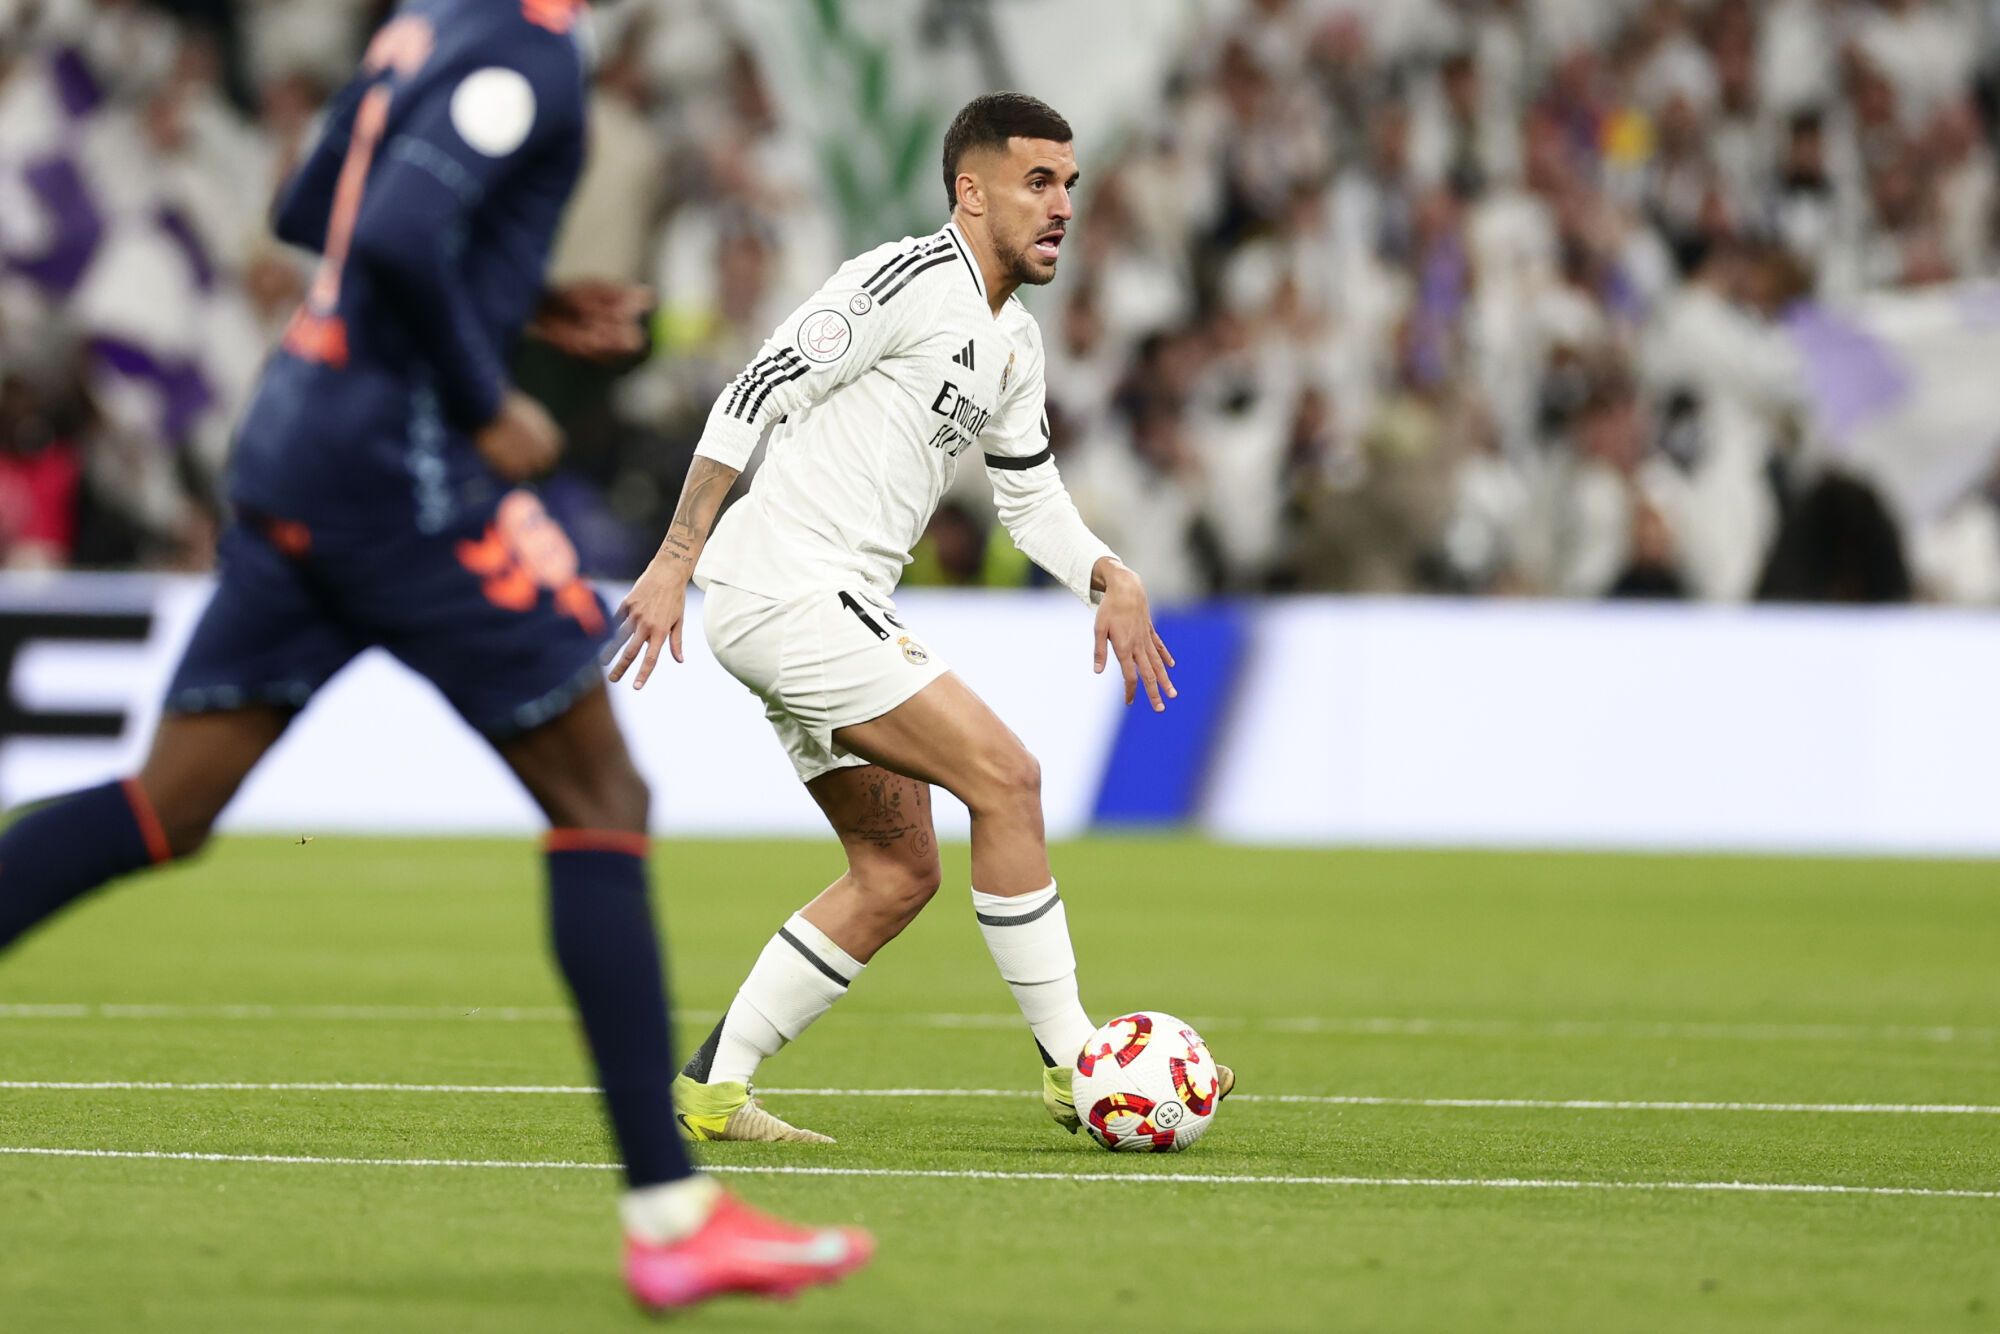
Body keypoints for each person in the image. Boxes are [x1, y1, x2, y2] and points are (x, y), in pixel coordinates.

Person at [0, 0, 869, 1310]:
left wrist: (520, 291)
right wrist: (487, 393)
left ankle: (673, 1212)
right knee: (602, 799)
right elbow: (398, 231)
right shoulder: (527, 49)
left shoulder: (435, 21)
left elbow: (311, 201)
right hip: (397, 477)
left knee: (165, 807)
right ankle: (671, 1213)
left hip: (294, 442)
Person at [611, 92, 1233, 1144]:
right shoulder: (900, 279)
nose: (1061, 207)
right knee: (1009, 778)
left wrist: (1109, 573)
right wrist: (675, 558)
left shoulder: (1014, 344)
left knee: (897, 870)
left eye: (1069, 186)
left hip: (823, 605)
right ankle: (1074, 1062)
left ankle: (713, 1086)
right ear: (970, 189)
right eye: (1038, 182)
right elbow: (752, 390)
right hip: (789, 591)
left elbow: (1028, 498)